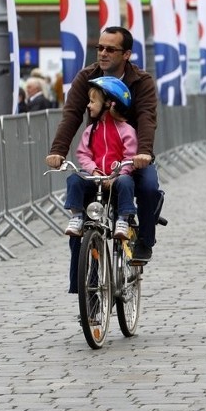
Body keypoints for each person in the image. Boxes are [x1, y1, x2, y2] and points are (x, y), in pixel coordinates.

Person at [46, 26, 161, 263]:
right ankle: (86, 279)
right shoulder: (86, 77)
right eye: (100, 48)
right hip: (99, 158)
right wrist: (58, 150)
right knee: (83, 218)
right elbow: (71, 115)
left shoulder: (142, 81)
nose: (103, 53)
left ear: (126, 54)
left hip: (133, 156)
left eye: (110, 49)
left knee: (149, 187)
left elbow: (147, 118)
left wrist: (144, 153)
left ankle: (145, 241)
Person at [63, 76, 137, 241]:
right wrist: (93, 170)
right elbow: (83, 153)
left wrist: (118, 175)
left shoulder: (126, 130)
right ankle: (77, 216)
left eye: (92, 101)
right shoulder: (91, 130)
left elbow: (130, 156)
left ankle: (123, 219)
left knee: (126, 182)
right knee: (74, 179)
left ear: (108, 104)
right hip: (95, 177)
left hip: (116, 178)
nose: (88, 105)